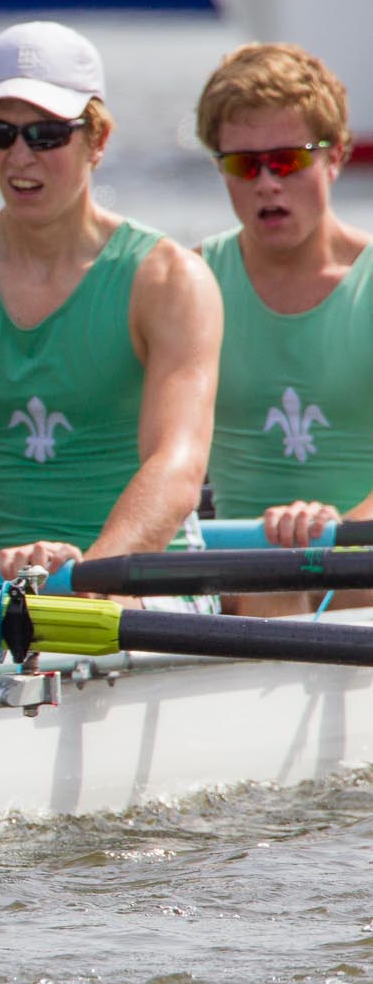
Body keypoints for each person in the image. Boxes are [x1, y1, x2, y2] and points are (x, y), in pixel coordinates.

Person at [0, 21, 222, 596]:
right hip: (0, 598)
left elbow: (178, 469)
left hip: (144, 587)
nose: (19, 155)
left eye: (46, 133)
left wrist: (88, 576)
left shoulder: (168, 280)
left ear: (98, 139)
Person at [193, 42, 373, 616]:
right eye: (245, 165)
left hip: (361, 564)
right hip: (242, 579)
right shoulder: (189, 286)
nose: (267, 184)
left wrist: (331, 534)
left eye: (288, 161)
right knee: (274, 594)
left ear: (336, 155)